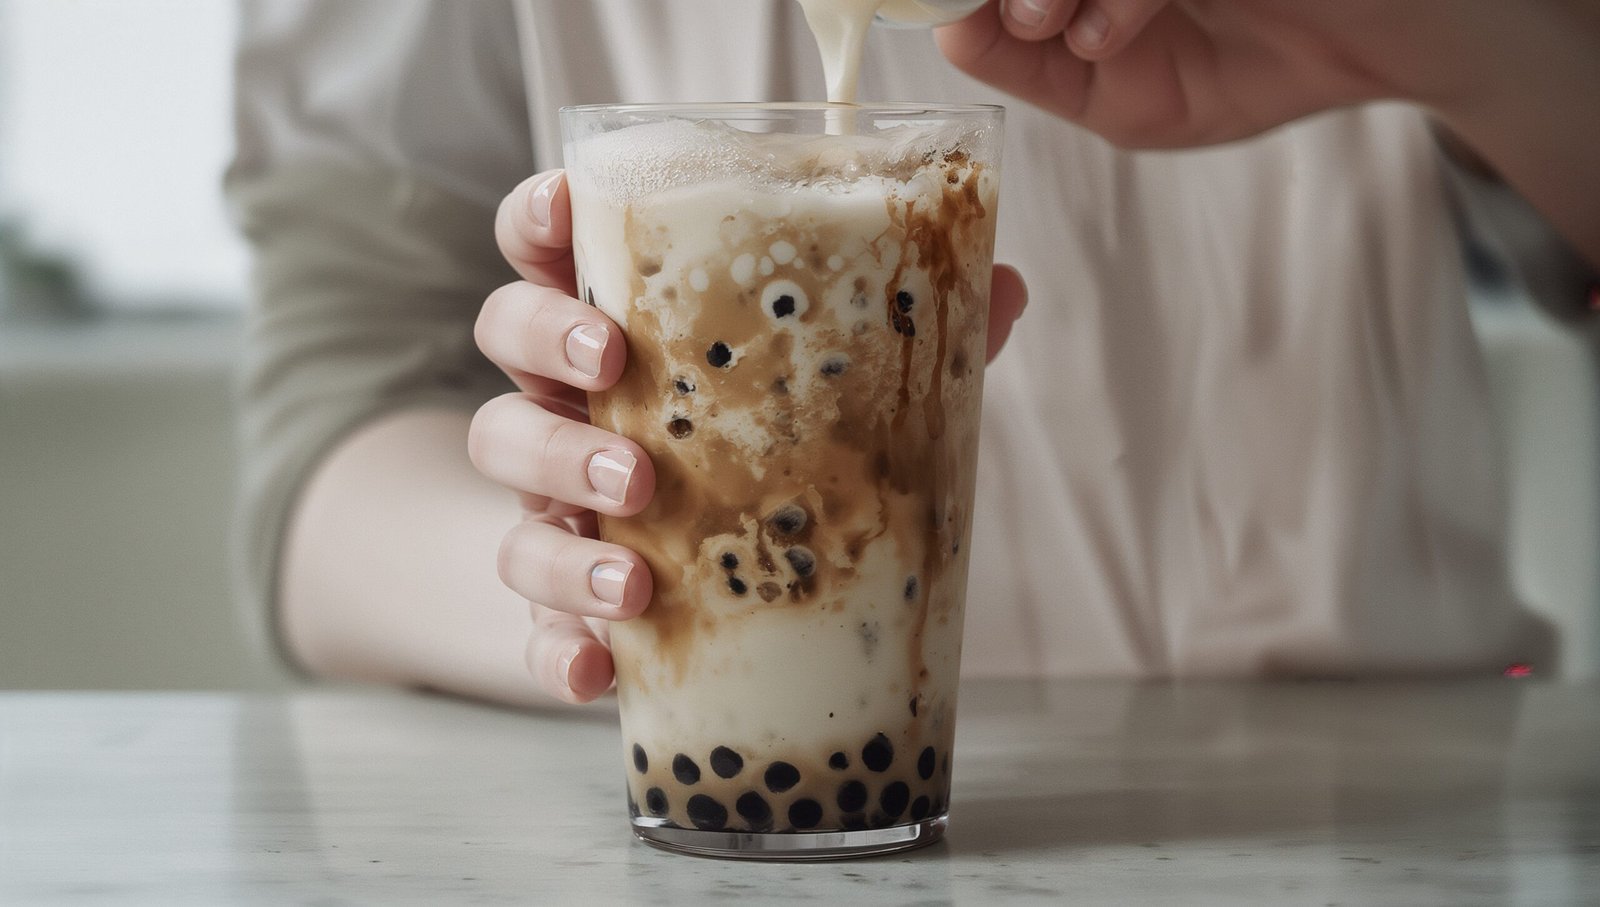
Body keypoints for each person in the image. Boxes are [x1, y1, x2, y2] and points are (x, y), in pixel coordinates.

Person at [227, 0, 1599, 707]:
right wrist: (600, 575)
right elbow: (336, 425)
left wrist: (1468, 40)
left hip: (1402, 806)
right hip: (752, 823)